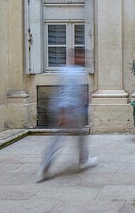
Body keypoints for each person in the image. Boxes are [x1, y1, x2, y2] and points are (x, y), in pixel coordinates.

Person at [37, 49, 97, 182]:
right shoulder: (72, 73)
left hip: (69, 111)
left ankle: (82, 160)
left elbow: (72, 91)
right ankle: (45, 168)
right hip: (68, 111)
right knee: (58, 140)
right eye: (82, 57)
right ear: (75, 58)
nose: (85, 60)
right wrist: (63, 115)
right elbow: (66, 94)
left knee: (78, 137)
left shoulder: (70, 71)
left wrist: (85, 96)